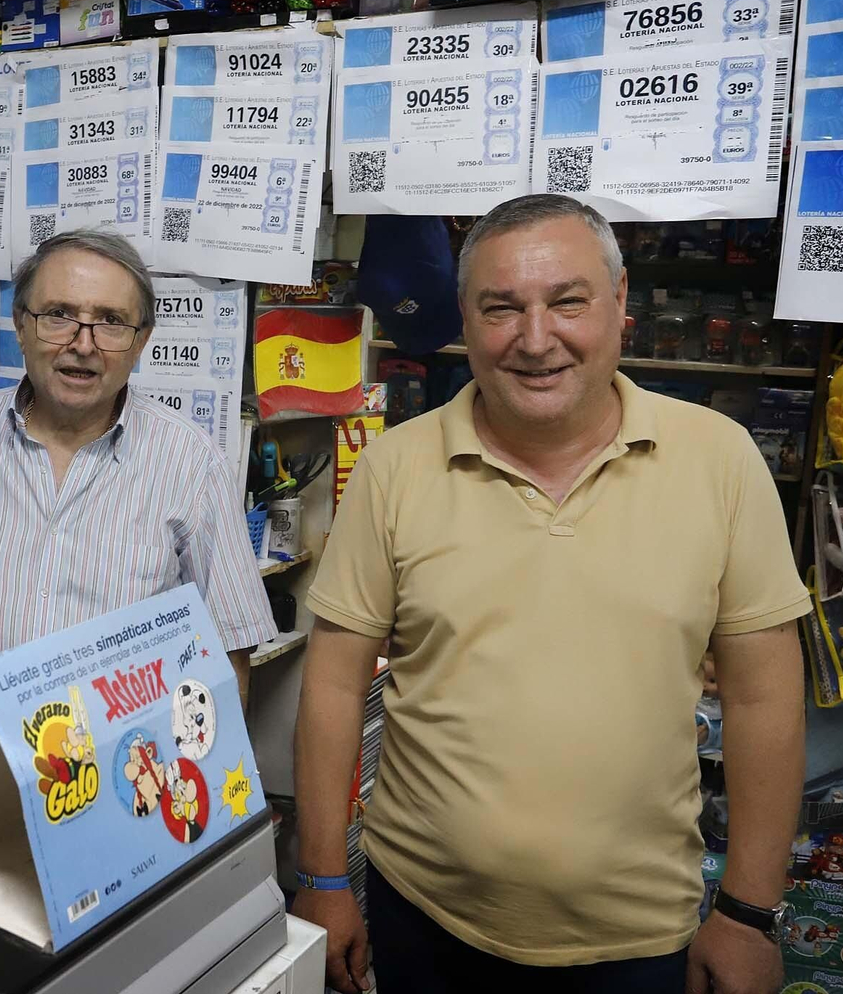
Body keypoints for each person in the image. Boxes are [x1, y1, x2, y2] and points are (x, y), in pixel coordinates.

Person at [291, 194, 808, 994]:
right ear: (465, 314)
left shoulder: (722, 459)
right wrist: (324, 878)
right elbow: (330, 681)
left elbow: (765, 698)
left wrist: (747, 910)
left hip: (638, 938)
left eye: (567, 301)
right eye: (502, 308)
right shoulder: (396, 467)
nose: (536, 340)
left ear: (621, 301)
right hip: (422, 914)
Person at [0, 229, 274, 730]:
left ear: (142, 342)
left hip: (121, 787)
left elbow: (228, 647)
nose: (83, 344)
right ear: (20, 326)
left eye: (112, 322)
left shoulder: (189, 462)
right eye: (59, 315)